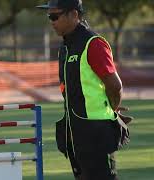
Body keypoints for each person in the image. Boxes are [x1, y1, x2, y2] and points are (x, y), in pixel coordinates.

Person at [36, 0, 133, 179]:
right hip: (75, 133)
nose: (51, 21)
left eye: (54, 16)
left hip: (96, 134)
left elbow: (115, 85)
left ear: (73, 14)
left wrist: (112, 110)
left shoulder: (93, 43)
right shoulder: (65, 46)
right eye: (49, 16)